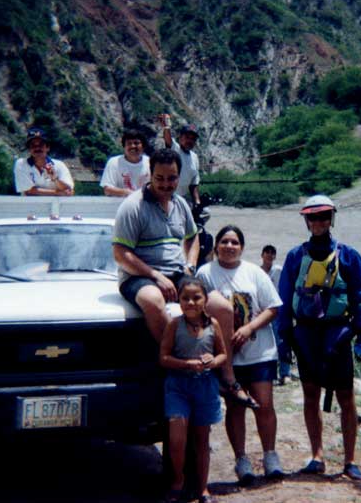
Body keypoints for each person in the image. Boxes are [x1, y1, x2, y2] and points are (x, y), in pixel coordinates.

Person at [113, 148, 252, 406]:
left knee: (222, 307)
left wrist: (190, 265)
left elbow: (192, 237)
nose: (166, 184)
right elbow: (120, 253)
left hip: (177, 272)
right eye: (160, 178)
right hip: (139, 275)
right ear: (150, 175)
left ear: (179, 177)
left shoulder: (180, 204)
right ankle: (184, 364)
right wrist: (155, 275)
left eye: (172, 178)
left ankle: (227, 378)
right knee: (153, 300)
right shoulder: (132, 206)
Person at [276, 195, 361, 481]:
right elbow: (283, 299)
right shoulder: (295, 257)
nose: (318, 222)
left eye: (323, 216)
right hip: (305, 334)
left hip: (337, 335)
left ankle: (350, 460)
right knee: (310, 394)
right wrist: (283, 340)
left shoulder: (348, 256)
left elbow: (359, 297)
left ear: (332, 219)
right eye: (313, 217)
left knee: (346, 396)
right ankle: (317, 455)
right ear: (306, 221)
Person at [197, 226, 285, 485]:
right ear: (216, 246)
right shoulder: (205, 273)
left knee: (264, 404)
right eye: (224, 241)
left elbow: (273, 307)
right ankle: (241, 460)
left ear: (242, 247)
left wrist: (248, 328)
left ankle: (270, 456)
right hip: (227, 355)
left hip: (259, 351)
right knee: (235, 407)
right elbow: (197, 308)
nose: (229, 246)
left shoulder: (254, 272)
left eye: (234, 242)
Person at [160, 277, 227, 503]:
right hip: (178, 386)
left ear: (205, 300)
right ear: (178, 301)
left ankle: (203, 488)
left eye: (196, 297)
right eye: (185, 298)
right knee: (177, 438)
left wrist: (213, 361)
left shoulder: (213, 325)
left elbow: (223, 354)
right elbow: (163, 357)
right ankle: (178, 482)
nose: (190, 302)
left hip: (205, 386)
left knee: (202, 440)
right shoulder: (174, 325)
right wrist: (186, 364)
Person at [13, 126, 74, 196]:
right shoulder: (21, 164)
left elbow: (69, 190)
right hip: (30, 203)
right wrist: (58, 193)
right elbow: (28, 191)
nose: (37, 148)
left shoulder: (59, 165)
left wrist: (55, 179)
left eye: (41, 145)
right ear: (29, 149)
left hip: (55, 203)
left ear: (48, 147)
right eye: (33, 145)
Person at [261, 245, 290, 385]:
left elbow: (287, 285)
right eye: (267, 252)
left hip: (278, 311)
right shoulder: (257, 271)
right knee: (266, 343)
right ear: (262, 255)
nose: (269, 255)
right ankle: (269, 374)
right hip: (263, 312)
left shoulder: (279, 270)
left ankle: (285, 373)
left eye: (272, 253)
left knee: (282, 341)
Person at [159, 114, 201, 206]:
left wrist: (197, 202)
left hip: (181, 199)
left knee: (204, 211)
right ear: (180, 137)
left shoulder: (195, 157)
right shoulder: (174, 148)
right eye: (187, 137)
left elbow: (194, 184)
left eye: (193, 139)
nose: (189, 141)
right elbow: (168, 139)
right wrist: (166, 127)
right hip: (166, 197)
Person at [100, 131, 150, 197]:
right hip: (119, 202)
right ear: (124, 147)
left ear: (143, 146)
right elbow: (107, 190)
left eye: (136, 143)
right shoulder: (114, 162)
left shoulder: (150, 162)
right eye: (129, 143)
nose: (133, 146)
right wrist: (128, 193)